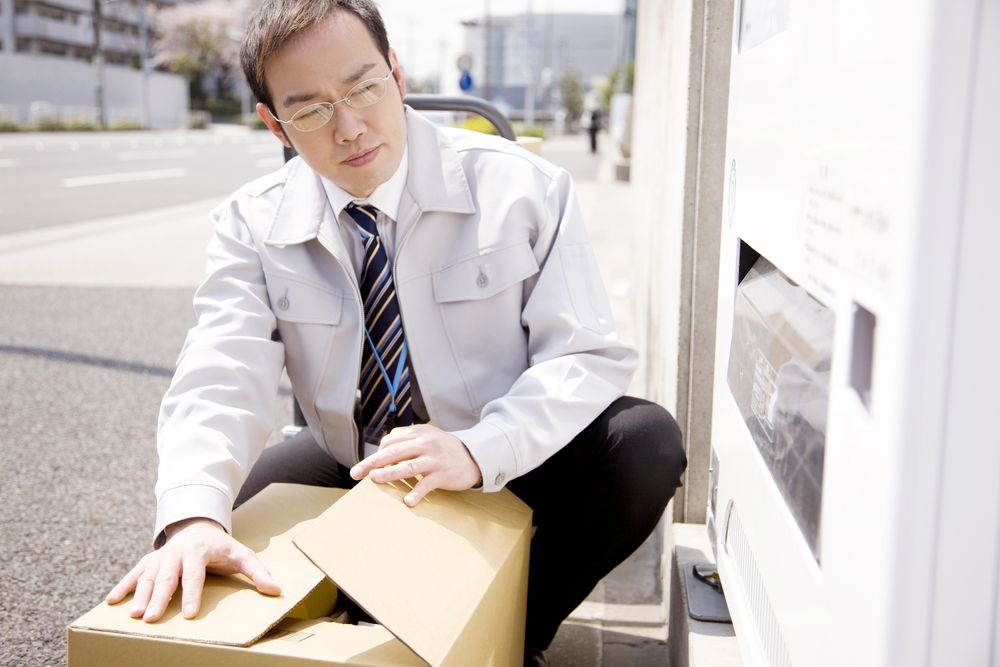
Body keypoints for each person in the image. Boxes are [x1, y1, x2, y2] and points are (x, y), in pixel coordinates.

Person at [105, 1, 686, 665]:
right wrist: (191, 517)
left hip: (501, 454)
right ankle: (359, 615)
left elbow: (582, 355)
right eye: (312, 109)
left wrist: (477, 448)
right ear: (276, 125)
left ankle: (505, 634)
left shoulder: (522, 189)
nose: (349, 127)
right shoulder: (250, 225)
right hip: (358, 459)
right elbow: (218, 369)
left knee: (644, 442)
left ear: (398, 76)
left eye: (363, 88)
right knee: (212, 521)